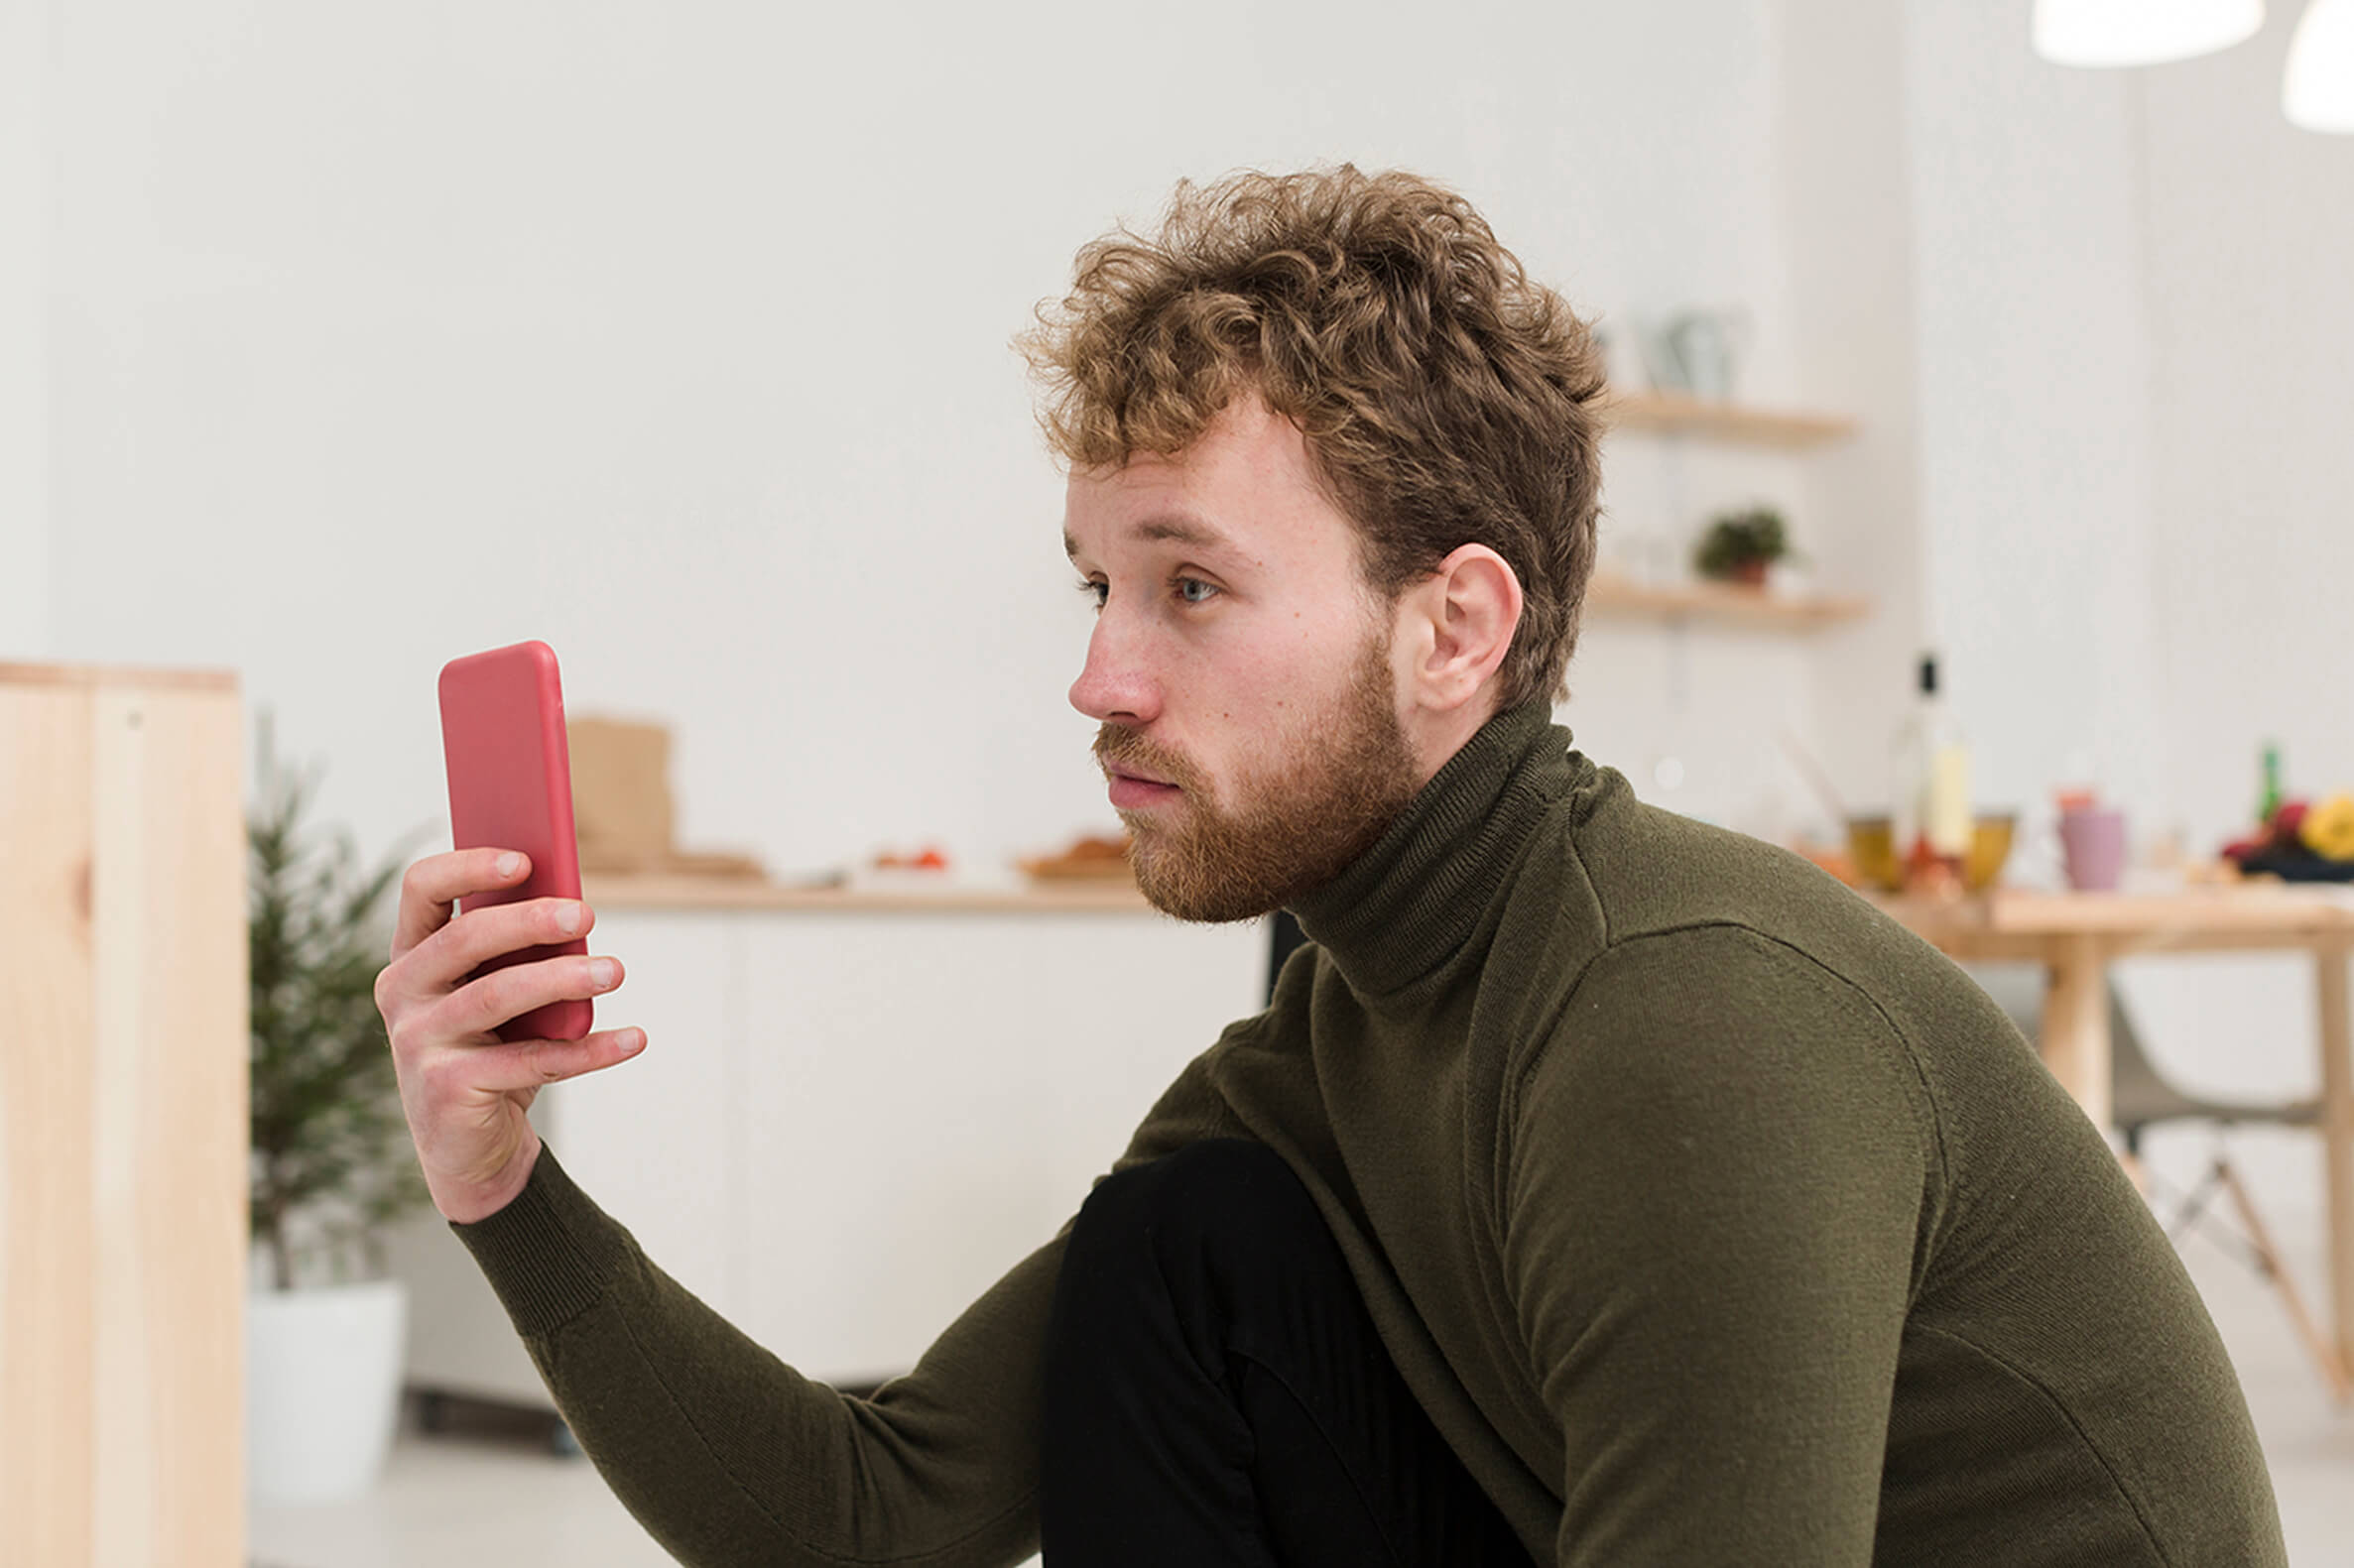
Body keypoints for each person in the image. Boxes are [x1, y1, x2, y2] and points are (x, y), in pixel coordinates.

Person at [374, 167, 2287, 1566]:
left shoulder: (1680, 1019)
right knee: (1179, 1261)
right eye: (1100, 585)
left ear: (1453, 626)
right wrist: (502, 1186)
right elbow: (871, 1516)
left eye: (1190, 585)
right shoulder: (1326, 1052)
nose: (1099, 675)